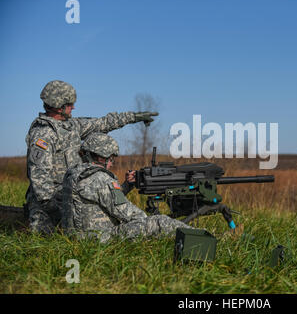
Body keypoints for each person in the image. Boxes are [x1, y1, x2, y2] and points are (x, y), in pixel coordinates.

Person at [25, 80, 157, 234]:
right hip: (52, 208)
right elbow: (40, 182)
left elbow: (103, 123)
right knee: (52, 240)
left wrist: (134, 117)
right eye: (69, 104)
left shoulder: (72, 126)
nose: (73, 107)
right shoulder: (43, 134)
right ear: (59, 106)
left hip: (74, 196)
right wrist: (62, 211)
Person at [61, 133, 193, 243]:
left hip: (75, 238)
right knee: (160, 222)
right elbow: (129, 214)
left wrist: (126, 186)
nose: (112, 163)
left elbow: (102, 199)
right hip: (98, 239)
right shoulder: (100, 179)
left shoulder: (72, 174)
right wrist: (149, 220)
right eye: (111, 159)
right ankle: (200, 238)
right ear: (102, 157)